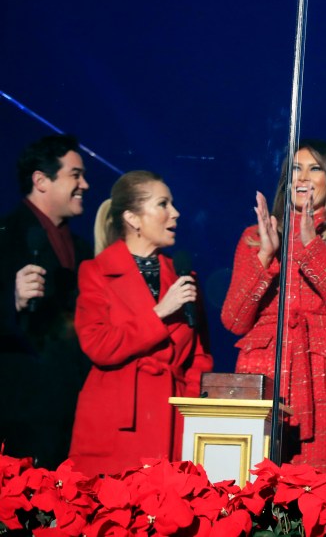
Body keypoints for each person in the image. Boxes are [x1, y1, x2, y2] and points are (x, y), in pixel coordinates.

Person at [221, 139, 326, 479]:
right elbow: (233, 321)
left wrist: (311, 247)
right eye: (295, 169)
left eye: (314, 168)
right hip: (263, 368)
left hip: (324, 375)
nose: (303, 177)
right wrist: (265, 255)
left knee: (321, 487)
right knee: (256, 482)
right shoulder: (255, 236)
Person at [68, 170, 213, 476]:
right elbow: (98, 345)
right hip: (117, 422)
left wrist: (192, 416)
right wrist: (159, 312)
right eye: (163, 204)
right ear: (133, 218)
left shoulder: (184, 277)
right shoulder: (96, 272)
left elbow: (199, 358)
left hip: (172, 422)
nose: (175, 213)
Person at [0, 135, 92, 469]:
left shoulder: (83, 249)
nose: (85, 184)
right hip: (17, 413)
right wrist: (11, 301)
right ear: (40, 180)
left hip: (71, 411)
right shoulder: (6, 236)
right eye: (75, 175)